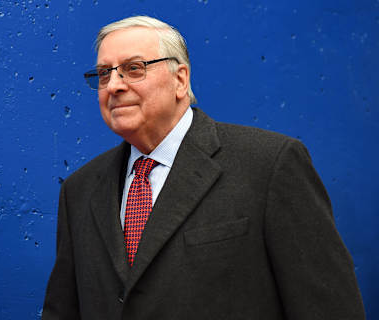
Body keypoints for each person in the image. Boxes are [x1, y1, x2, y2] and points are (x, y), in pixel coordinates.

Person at [42, 15, 365, 320]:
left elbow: (328, 308)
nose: (114, 85)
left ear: (180, 79)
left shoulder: (270, 164)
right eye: (104, 73)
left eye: (134, 68)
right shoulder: (80, 191)